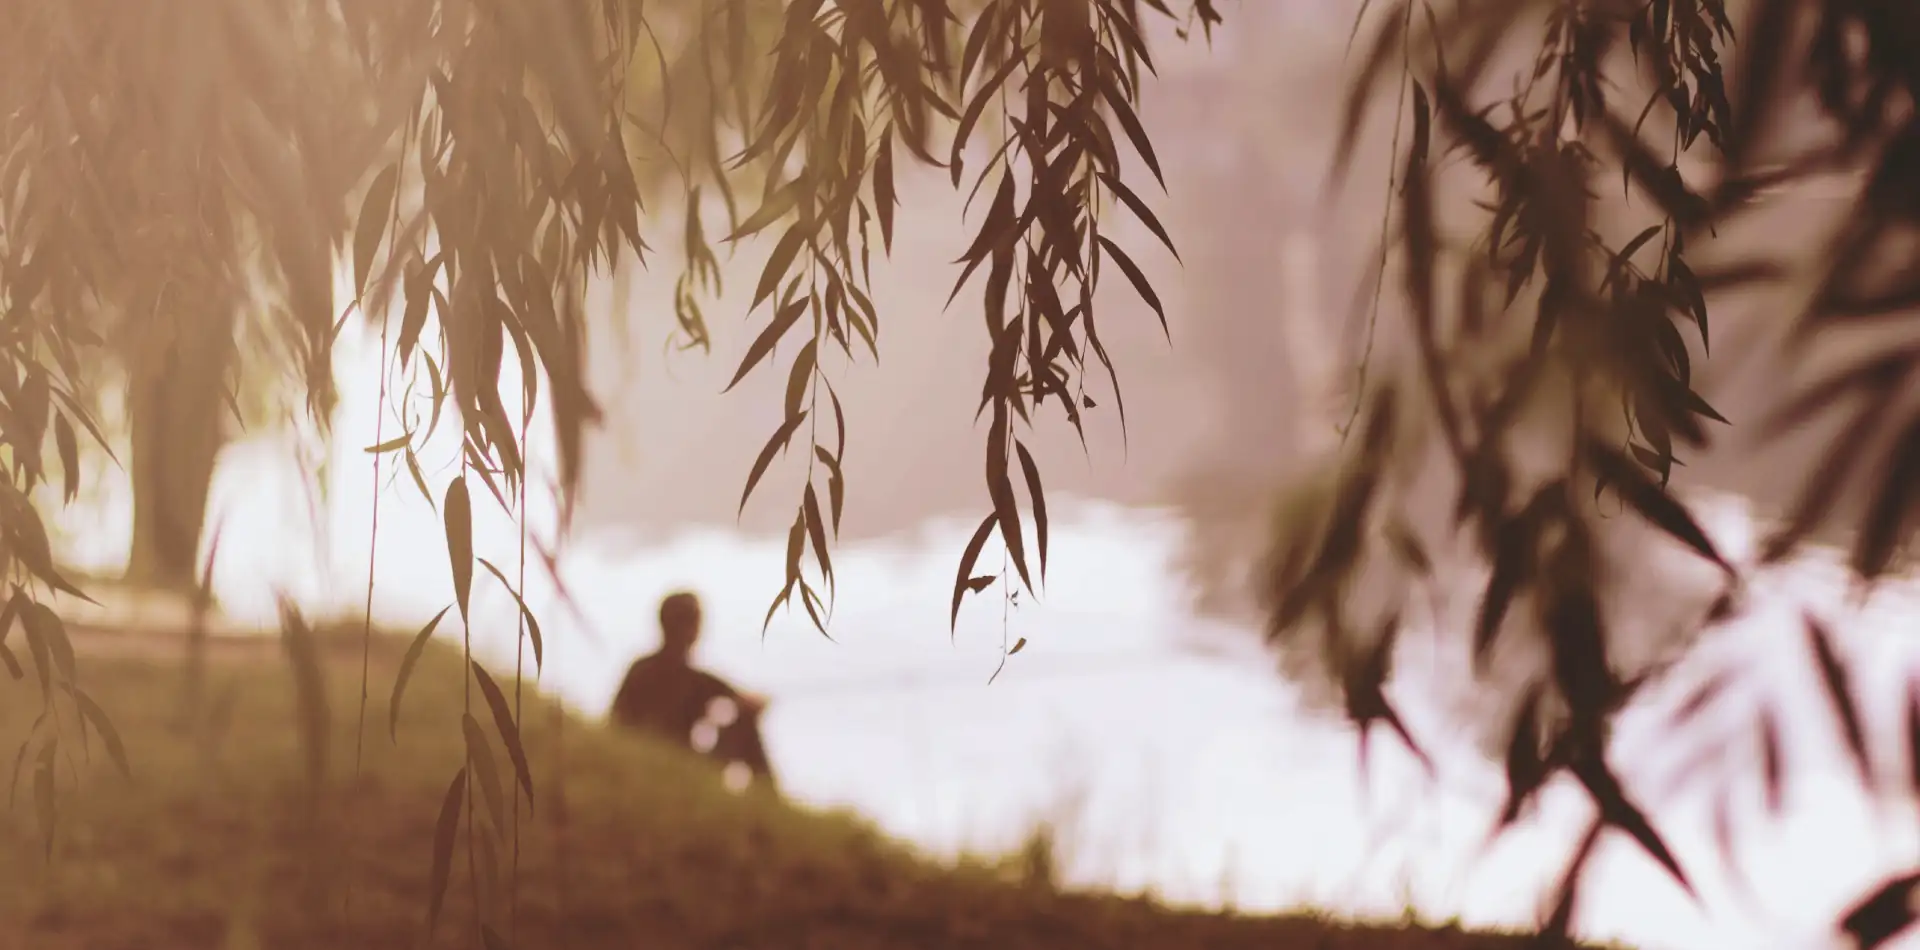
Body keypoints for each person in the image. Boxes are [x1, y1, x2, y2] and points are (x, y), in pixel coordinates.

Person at [609, 591, 780, 795]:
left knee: (744, 717)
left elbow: (613, 721)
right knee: (746, 721)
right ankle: (770, 796)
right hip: (673, 769)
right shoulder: (693, 680)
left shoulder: (642, 668)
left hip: (655, 764)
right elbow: (743, 700)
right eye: (695, 622)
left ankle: (769, 798)